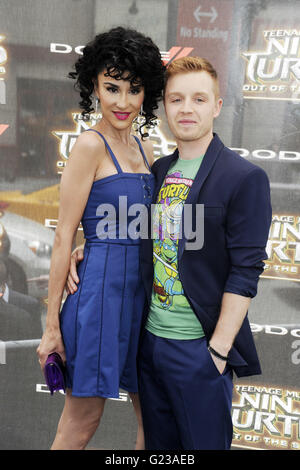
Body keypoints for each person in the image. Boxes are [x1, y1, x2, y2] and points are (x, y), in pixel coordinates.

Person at [67, 56, 272, 450]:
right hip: (149, 346)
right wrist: (87, 248)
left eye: (199, 99)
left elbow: (246, 272)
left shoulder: (243, 177)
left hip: (199, 350)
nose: (186, 109)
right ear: (164, 107)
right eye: (176, 100)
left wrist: (217, 351)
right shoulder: (157, 170)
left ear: (217, 106)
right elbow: (138, 234)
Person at [36, 26, 165, 450]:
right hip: (97, 300)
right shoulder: (89, 147)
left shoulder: (148, 151)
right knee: (83, 421)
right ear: (94, 84)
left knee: (156, 420)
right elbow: (62, 240)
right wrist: (51, 328)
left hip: (144, 303)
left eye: (134, 89)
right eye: (112, 88)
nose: (123, 102)